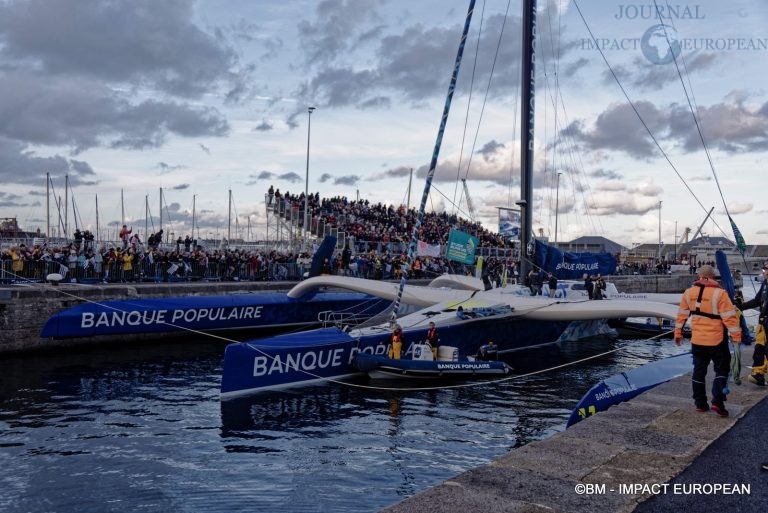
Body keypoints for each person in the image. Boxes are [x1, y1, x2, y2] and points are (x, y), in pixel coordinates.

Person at [674, 264, 742, 416]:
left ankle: (700, 403)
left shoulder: (688, 293)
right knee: (722, 368)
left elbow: (681, 316)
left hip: (697, 339)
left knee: (698, 370)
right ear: (713, 277)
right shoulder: (720, 294)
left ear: (698, 276)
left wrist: (677, 333)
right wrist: (736, 337)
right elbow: (730, 318)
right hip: (716, 340)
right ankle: (717, 401)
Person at [738, 262, 768, 386]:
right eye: (764, 269)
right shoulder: (765, 283)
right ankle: (758, 374)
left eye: (766, 269)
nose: (764, 272)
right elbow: (757, 300)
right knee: (760, 347)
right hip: (763, 321)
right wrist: (740, 306)